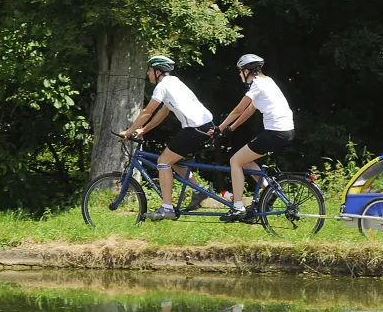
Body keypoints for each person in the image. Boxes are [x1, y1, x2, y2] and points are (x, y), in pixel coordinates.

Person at [121, 55, 214, 220]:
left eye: (149, 70)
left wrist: (129, 131)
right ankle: (198, 191)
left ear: (158, 72)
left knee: (163, 162)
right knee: (174, 160)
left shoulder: (162, 86)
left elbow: (147, 112)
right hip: (205, 126)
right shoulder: (175, 83)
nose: (147, 73)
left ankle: (167, 208)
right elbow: (163, 112)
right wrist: (143, 130)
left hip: (195, 128)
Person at [211, 55, 295, 222]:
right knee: (247, 161)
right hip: (285, 131)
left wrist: (219, 128)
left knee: (235, 161)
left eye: (241, 72)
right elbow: (249, 110)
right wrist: (231, 128)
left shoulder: (256, 84)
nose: (240, 75)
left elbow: (238, 109)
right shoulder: (267, 81)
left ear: (247, 71)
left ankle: (238, 207)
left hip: (275, 132)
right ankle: (269, 191)